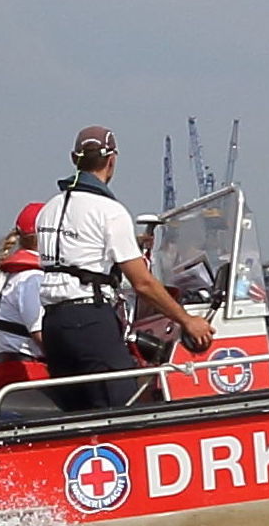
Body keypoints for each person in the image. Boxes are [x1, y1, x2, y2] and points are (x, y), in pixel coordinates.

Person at [37, 125, 213, 411]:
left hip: (54, 326)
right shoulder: (110, 211)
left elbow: (76, 254)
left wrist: (128, 244)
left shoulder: (50, 209)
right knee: (120, 408)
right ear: (112, 160)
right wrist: (187, 320)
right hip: (90, 322)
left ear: (74, 159)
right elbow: (142, 283)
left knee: (73, 414)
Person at [0, 201, 48, 393]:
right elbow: (40, 334)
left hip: (9, 373)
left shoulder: (14, 276)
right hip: (25, 375)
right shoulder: (32, 279)